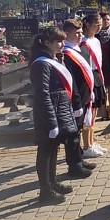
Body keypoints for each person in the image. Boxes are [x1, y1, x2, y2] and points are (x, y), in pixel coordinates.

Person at [30, 27, 78, 204]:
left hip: (57, 111)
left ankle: (53, 182)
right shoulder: (41, 64)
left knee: (53, 150)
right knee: (45, 152)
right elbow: (42, 94)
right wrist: (51, 122)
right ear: (47, 43)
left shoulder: (54, 59)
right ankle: (45, 191)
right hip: (48, 114)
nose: (62, 44)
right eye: (58, 41)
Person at [61, 19, 97, 178]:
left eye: (81, 31)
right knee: (73, 134)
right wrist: (76, 102)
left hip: (83, 96)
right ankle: (74, 166)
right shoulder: (66, 54)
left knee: (79, 129)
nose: (81, 35)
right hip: (75, 100)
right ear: (67, 34)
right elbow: (71, 80)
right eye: (77, 33)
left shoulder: (76, 49)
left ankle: (80, 159)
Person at [80, 13, 107, 158]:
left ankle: (91, 141)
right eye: (96, 24)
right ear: (88, 25)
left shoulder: (96, 40)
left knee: (94, 111)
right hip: (88, 77)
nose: (99, 27)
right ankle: (86, 145)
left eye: (100, 24)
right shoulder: (84, 43)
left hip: (97, 76)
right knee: (87, 113)